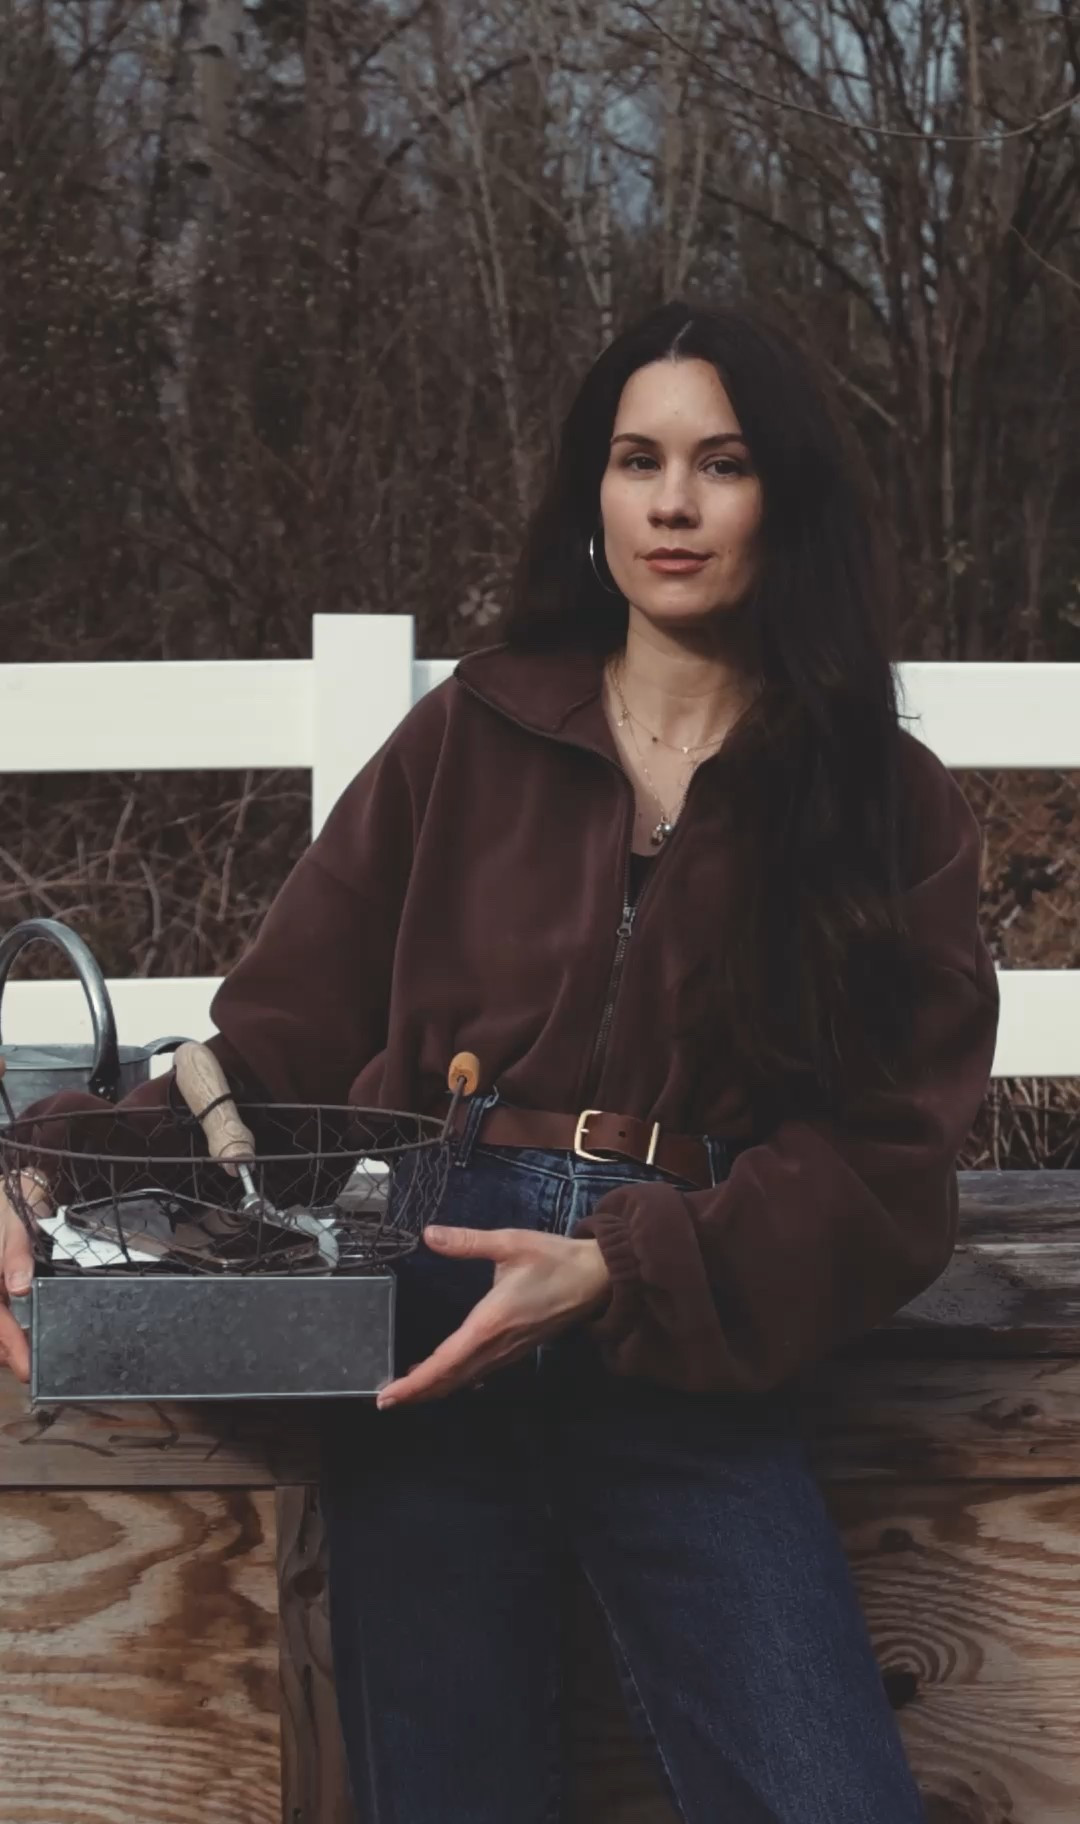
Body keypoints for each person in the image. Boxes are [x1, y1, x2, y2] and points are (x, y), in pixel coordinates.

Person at [0, 299, 999, 1822]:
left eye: (720, 464)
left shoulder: (880, 800)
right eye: (637, 459)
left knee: (826, 1794)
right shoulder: (472, 731)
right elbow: (275, 1043)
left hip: (678, 1315)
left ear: (780, 496)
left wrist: (623, 1271)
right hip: (424, 1311)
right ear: (589, 495)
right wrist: (45, 1173)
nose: (672, 504)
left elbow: (890, 1162)